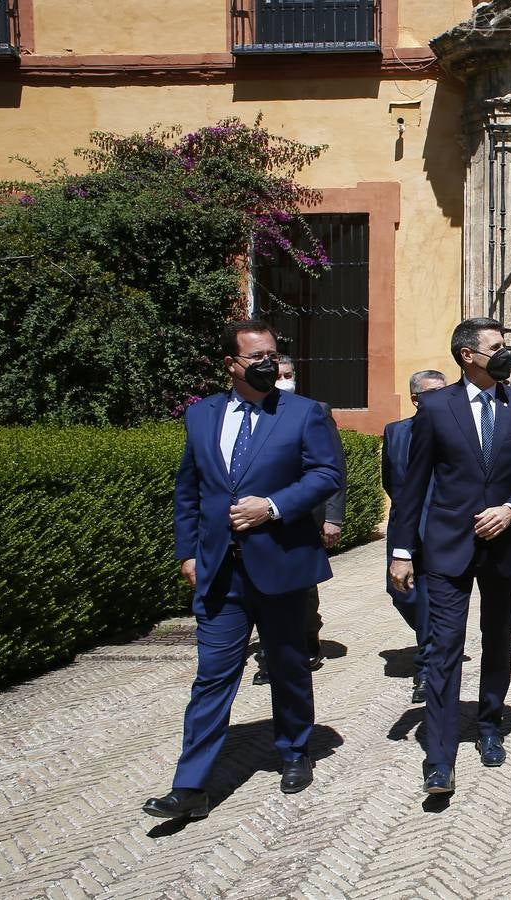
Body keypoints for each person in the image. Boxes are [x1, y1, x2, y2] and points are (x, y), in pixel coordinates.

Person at [143, 320, 342, 821]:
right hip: (220, 572)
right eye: (255, 357)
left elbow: (325, 475)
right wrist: (187, 553)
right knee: (212, 678)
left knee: (288, 665)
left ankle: (295, 750)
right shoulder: (202, 416)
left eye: (272, 354)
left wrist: (272, 507)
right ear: (230, 364)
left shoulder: (303, 413)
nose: (266, 364)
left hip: (281, 566)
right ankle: (190, 787)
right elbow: (189, 489)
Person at [387, 318, 511, 796]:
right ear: (468, 355)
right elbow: (411, 485)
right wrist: (402, 552)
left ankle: (488, 725)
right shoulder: (436, 407)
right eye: (497, 347)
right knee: (443, 648)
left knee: (498, 639)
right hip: (445, 547)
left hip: (503, 545)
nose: (507, 353)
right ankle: (439, 757)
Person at [251, 354, 347, 685]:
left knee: (302, 587)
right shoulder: (252, 411)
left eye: (289, 375)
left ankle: (307, 641)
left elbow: (334, 469)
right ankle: (269, 656)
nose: (284, 381)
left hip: (305, 516)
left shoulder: (315, 411)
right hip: (260, 517)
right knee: (263, 588)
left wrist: (333, 517)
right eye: (278, 376)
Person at [382, 369, 447, 704]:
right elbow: (389, 480)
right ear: (415, 398)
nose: (440, 395)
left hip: (439, 527)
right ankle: (430, 636)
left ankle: (426, 667)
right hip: (403, 528)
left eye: (443, 389)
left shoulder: (451, 431)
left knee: (431, 598)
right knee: (402, 595)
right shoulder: (395, 432)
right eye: (432, 391)